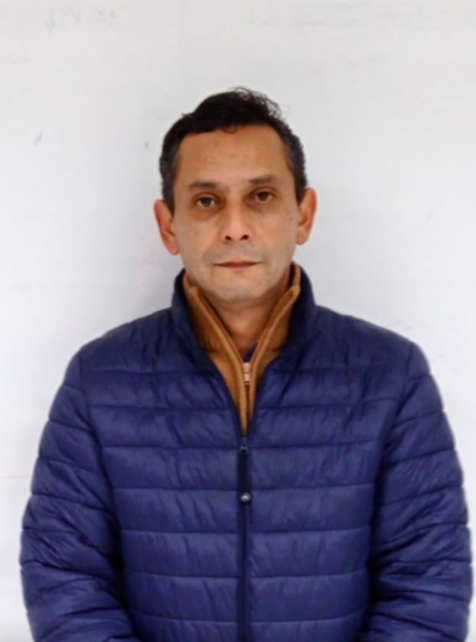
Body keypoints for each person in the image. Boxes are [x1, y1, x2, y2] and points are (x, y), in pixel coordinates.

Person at [19, 86, 473, 642]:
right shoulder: (99, 381)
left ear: (303, 215)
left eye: (261, 196)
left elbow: (429, 584)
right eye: (207, 201)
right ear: (168, 225)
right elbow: (64, 578)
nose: (235, 226)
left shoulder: (390, 376)